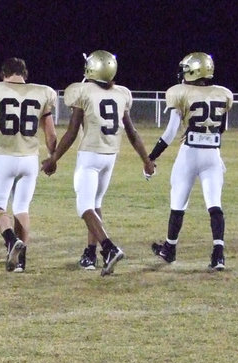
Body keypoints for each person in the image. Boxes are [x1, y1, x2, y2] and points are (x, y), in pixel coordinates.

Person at [41, 50, 155, 276]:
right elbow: (132, 132)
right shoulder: (121, 94)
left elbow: (72, 132)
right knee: (95, 204)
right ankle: (90, 254)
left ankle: (109, 248)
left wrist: (54, 158)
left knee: (84, 207)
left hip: (90, 155)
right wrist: (146, 159)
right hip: (110, 155)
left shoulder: (82, 92)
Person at [148, 52, 233, 271]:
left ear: (193, 70)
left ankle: (170, 249)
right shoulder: (223, 94)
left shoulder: (181, 93)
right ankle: (218, 255)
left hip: (189, 153)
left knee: (178, 204)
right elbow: (221, 128)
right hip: (212, 154)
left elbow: (170, 133)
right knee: (214, 205)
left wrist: (152, 156)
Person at [0, 57, 57, 273]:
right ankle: (21, 262)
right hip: (30, 158)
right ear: (25, 73)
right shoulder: (42, 93)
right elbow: (51, 134)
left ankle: (11, 240)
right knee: (22, 207)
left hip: (4, 156)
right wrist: (53, 157)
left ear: (4, 74)